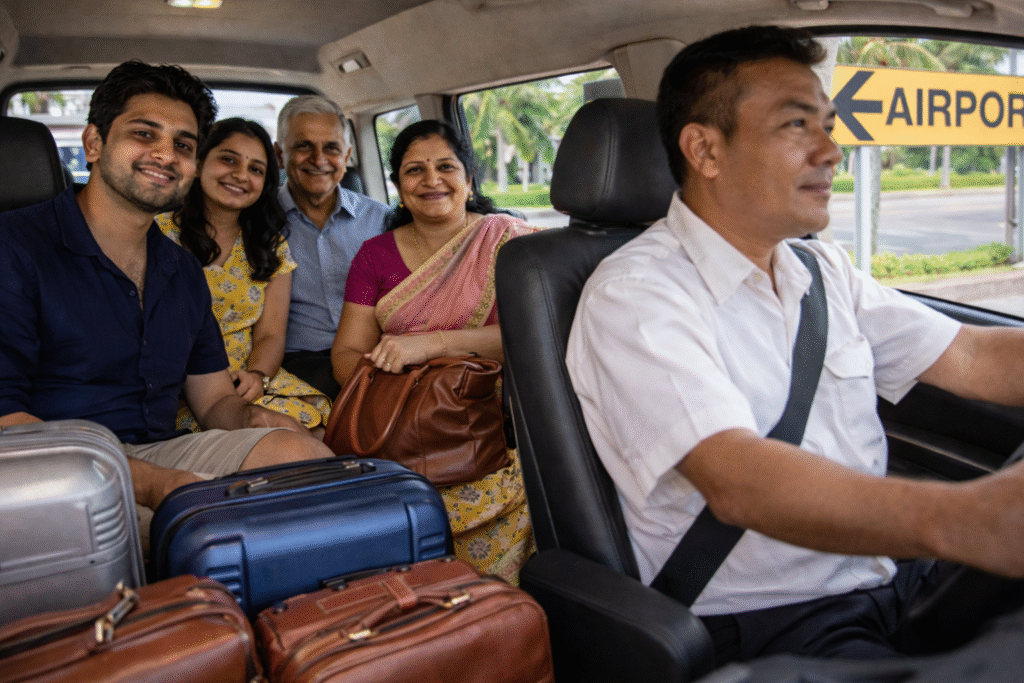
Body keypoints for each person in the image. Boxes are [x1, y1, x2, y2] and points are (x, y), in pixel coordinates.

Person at [565, 25, 1024, 665]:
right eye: (796, 125)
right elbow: (739, 479)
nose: (831, 151)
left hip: (889, 580)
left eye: (828, 126)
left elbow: (970, 356)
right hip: (774, 622)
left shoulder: (820, 270)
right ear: (705, 150)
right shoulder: (636, 295)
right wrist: (963, 519)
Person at [0, 60, 334, 518]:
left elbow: (213, 400)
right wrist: (154, 484)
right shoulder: (15, 246)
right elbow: (6, 419)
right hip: (45, 464)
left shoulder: (181, 270)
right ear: (94, 143)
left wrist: (253, 418)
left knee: (307, 458)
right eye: (144, 134)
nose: (165, 155)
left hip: (158, 452)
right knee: (200, 527)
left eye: (183, 145)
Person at [331, 120, 536, 583]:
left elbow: (535, 337)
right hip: (402, 425)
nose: (431, 180)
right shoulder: (374, 256)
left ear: (469, 179)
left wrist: (432, 345)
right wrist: (407, 398)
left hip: (500, 422)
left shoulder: (509, 242)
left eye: (446, 167)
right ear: (398, 187)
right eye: (414, 170)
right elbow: (347, 353)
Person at [157, 117, 331, 434]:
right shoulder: (158, 234)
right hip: (176, 385)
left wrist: (257, 376)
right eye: (228, 160)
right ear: (199, 163)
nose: (241, 175)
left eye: (256, 169)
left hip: (249, 380)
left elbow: (271, 334)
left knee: (311, 430)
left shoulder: (270, 245)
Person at [275, 95, 391, 399]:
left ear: (347, 155)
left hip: (377, 355)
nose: (318, 160)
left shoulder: (381, 220)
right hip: (296, 364)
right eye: (303, 146)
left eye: (331, 148)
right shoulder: (257, 223)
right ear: (279, 155)